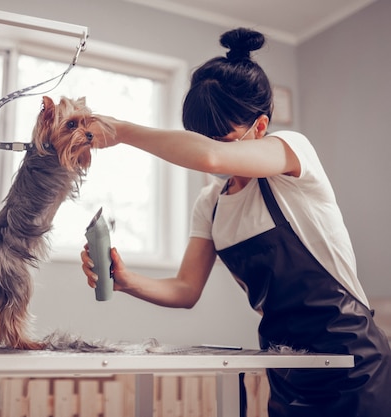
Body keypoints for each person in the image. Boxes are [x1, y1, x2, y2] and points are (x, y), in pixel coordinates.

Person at [80, 27, 391, 416]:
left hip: (353, 366)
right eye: (198, 138)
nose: (204, 150)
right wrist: (127, 282)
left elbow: (209, 158)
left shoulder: (293, 155)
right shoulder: (211, 204)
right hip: (288, 367)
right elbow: (185, 289)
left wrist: (120, 131)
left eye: (221, 138)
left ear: (259, 128)